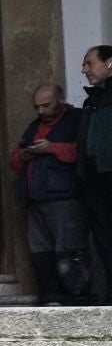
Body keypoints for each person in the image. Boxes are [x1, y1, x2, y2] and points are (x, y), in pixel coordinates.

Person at [9, 84, 90, 305]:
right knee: (40, 251)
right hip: (35, 199)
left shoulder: (77, 119)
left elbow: (83, 152)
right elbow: (15, 160)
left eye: (46, 105)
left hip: (64, 197)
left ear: (60, 100)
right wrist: (24, 155)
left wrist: (51, 147)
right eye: (37, 106)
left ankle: (77, 296)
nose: (41, 111)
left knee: (69, 248)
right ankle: (50, 295)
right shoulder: (34, 127)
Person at [77, 46, 112, 296]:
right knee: (103, 238)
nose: (84, 70)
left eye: (89, 63)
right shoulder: (91, 102)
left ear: (109, 63)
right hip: (94, 180)